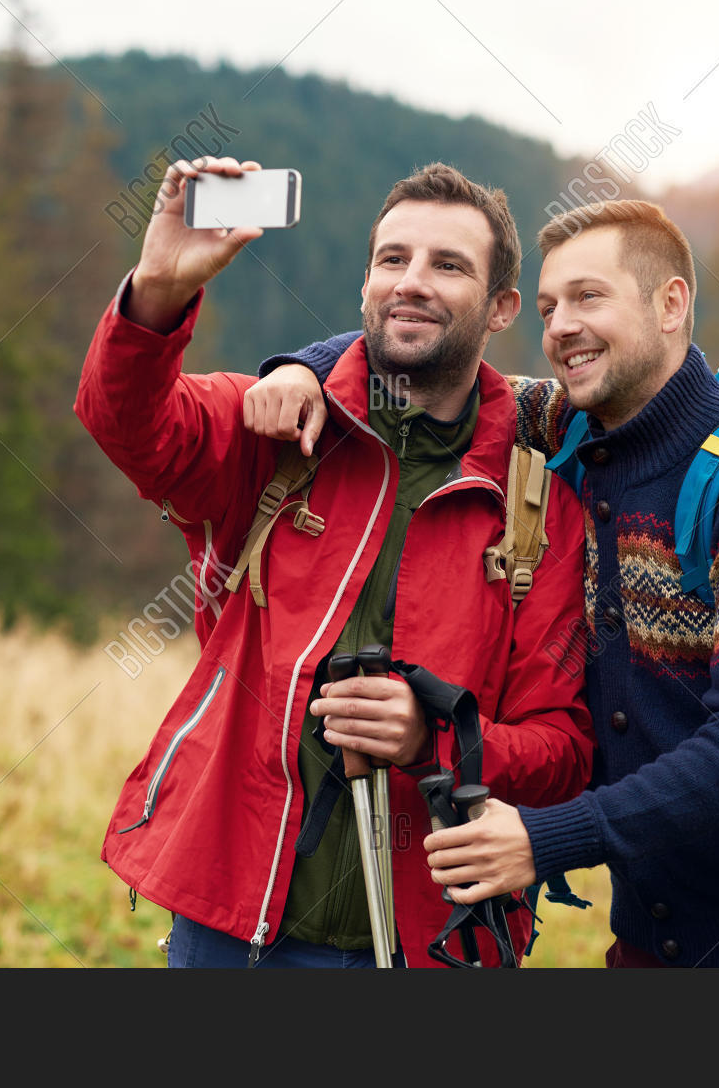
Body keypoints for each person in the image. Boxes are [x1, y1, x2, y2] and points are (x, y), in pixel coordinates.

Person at [247, 199, 719, 967]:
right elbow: (435, 357)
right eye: (548, 305)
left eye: (589, 297)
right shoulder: (567, 427)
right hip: (652, 941)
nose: (562, 324)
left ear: (671, 305)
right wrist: (301, 366)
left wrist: (546, 836)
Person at [75, 156, 593, 968]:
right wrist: (159, 289)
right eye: (393, 258)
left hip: (434, 945)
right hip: (234, 929)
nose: (412, 282)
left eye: (447, 265)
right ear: (364, 286)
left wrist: (438, 735)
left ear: (501, 308)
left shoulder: (536, 506)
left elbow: (562, 751)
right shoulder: (275, 435)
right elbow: (126, 422)